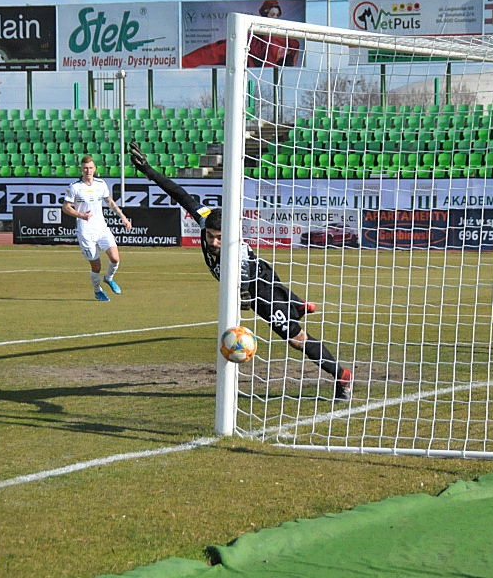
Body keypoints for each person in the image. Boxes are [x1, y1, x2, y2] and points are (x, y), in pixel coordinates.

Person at [127, 142, 353, 401]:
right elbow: (179, 193)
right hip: (259, 274)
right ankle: (298, 305)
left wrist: (244, 296)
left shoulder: (238, 255)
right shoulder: (205, 217)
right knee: (289, 321)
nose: (213, 242)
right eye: (210, 236)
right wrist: (149, 171)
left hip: (260, 286)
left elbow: (246, 284)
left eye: (219, 238)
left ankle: (341, 375)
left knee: (294, 337)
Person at [61, 154, 132, 302]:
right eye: (85, 168)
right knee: (96, 266)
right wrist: (81, 215)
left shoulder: (101, 184)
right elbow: (66, 208)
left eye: (91, 168)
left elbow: (110, 202)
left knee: (115, 258)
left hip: (101, 227)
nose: (88, 171)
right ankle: (97, 290)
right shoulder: (74, 187)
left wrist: (123, 218)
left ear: (95, 169)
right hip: (85, 231)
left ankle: (109, 278)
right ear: (81, 169)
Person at [248, 0, 300, 68]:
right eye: (272, 15)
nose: (275, 17)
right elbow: (254, 49)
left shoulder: (281, 31)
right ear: (266, 15)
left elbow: (294, 44)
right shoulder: (258, 29)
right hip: (262, 61)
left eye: (277, 15)